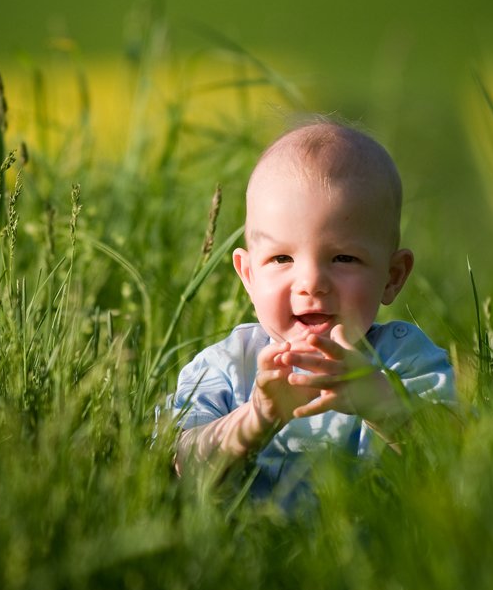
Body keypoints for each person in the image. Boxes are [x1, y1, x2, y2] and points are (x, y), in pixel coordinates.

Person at [170, 119, 455, 503]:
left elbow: (462, 458)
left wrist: (383, 403)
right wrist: (256, 417)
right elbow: (180, 464)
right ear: (249, 275)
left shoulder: (402, 359)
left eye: (343, 257)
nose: (311, 282)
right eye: (282, 258)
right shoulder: (227, 366)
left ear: (392, 276)